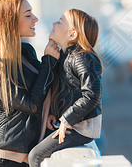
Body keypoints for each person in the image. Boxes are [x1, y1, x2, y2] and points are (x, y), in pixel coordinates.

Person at [0, 0, 60, 166]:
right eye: (28, 15)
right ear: (8, 20)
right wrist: (48, 61)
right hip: (2, 160)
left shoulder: (26, 51)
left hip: (29, 158)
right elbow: (30, 105)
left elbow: (45, 85)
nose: (35, 19)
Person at [28, 9, 103, 167]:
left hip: (81, 126)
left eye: (60, 21)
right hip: (70, 122)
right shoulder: (64, 57)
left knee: (35, 155)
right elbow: (63, 90)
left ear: (72, 35)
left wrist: (67, 119)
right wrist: (54, 113)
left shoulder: (83, 57)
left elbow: (91, 95)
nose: (54, 24)